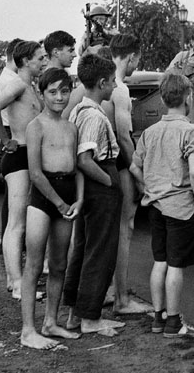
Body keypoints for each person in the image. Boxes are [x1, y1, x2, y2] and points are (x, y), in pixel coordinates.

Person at [129, 72, 194, 338]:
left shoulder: (150, 132)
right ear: (189, 98)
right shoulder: (191, 131)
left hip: (156, 205)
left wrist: (147, 189)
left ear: (162, 100)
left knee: (159, 261)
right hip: (182, 207)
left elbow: (134, 167)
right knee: (176, 265)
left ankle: (159, 317)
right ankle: (175, 323)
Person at [20, 68, 84, 350]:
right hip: (44, 200)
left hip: (68, 195)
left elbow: (77, 167)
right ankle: (27, 330)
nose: (60, 97)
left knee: (59, 264)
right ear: (42, 92)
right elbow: (35, 173)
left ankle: (51, 321)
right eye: (53, 92)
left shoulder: (71, 126)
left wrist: (79, 199)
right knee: (34, 265)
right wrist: (58, 203)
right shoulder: (36, 126)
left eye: (65, 91)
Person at [63, 54, 126, 335]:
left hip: (91, 186)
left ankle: (76, 314)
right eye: (112, 81)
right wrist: (109, 182)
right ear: (101, 82)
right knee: (101, 250)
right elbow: (84, 158)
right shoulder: (93, 115)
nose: (114, 86)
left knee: (85, 246)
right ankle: (90, 318)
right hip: (100, 183)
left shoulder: (78, 109)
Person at [0, 41, 48, 299]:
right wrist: (4, 139)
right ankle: (17, 283)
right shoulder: (18, 84)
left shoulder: (31, 86)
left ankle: (17, 280)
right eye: (40, 58)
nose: (44, 62)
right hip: (18, 154)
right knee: (16, 223)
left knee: (24, 220)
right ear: (25, 61)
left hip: (30, 154)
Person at [104, 34, 153, 315]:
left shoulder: (100, 83)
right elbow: (123, 136)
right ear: (131, 57)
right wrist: (138, 172)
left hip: (101, 162)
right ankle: (121, 298)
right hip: (119, 162)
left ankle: (110, 290)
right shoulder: (120, 89)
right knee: (125, 228)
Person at [0, 38, 24, 239]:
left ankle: (11, 238)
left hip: (11, 131)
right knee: (13, 198)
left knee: (13, 197)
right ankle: (11, 239)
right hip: (11, 133)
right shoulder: (10, 81)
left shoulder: (8, 77)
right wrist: (6, 140)